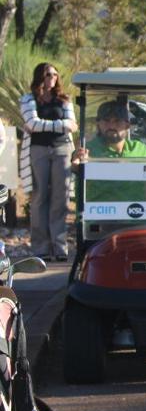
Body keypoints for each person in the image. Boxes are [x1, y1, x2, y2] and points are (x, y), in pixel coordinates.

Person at [20, 63, 76, 262]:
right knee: (40, 196)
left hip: (62, 150)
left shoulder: (64, 100)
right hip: (39, 150)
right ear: (39, 77)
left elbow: (72, 125)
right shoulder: (28, 99)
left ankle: (59, 246)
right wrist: (60, 126)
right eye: (47, 74)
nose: (51, 77)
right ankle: (41, 247)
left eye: (54, 74)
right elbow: (31, 123)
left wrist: (42, 126)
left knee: (60, 198)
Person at [70, 101, 146, 205]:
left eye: (117, 121)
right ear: (98, 124)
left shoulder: (138, 149)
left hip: (138, 216)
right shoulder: (88, 150)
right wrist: (77, 165)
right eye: (106, 121)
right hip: (99, 217)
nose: (111, 126)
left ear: (127, 125)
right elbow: (76, 164)